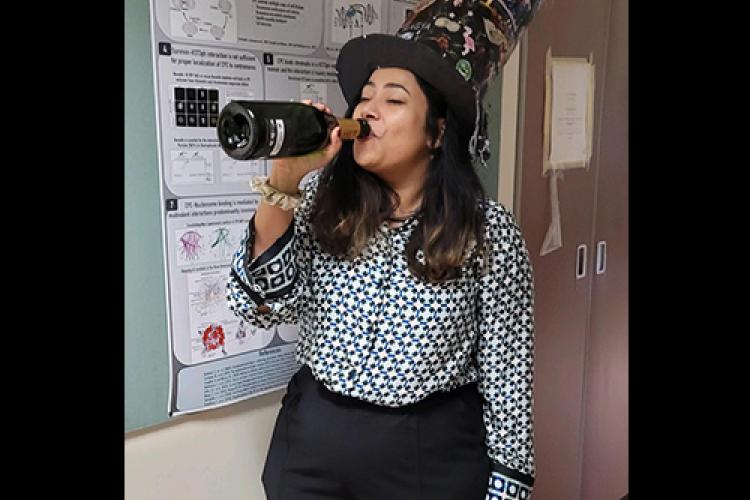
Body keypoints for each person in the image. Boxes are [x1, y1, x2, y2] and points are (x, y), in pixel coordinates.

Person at [227, 1, 544, 499]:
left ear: (437, 132)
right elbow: (257, 307)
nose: (366, 110)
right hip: (313, 443)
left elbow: (508, 378)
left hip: (427, 455)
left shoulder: (486, 231)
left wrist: (509, 487)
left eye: (393, 100)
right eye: (365, 96)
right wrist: (283, 185)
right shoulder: (316, 202)